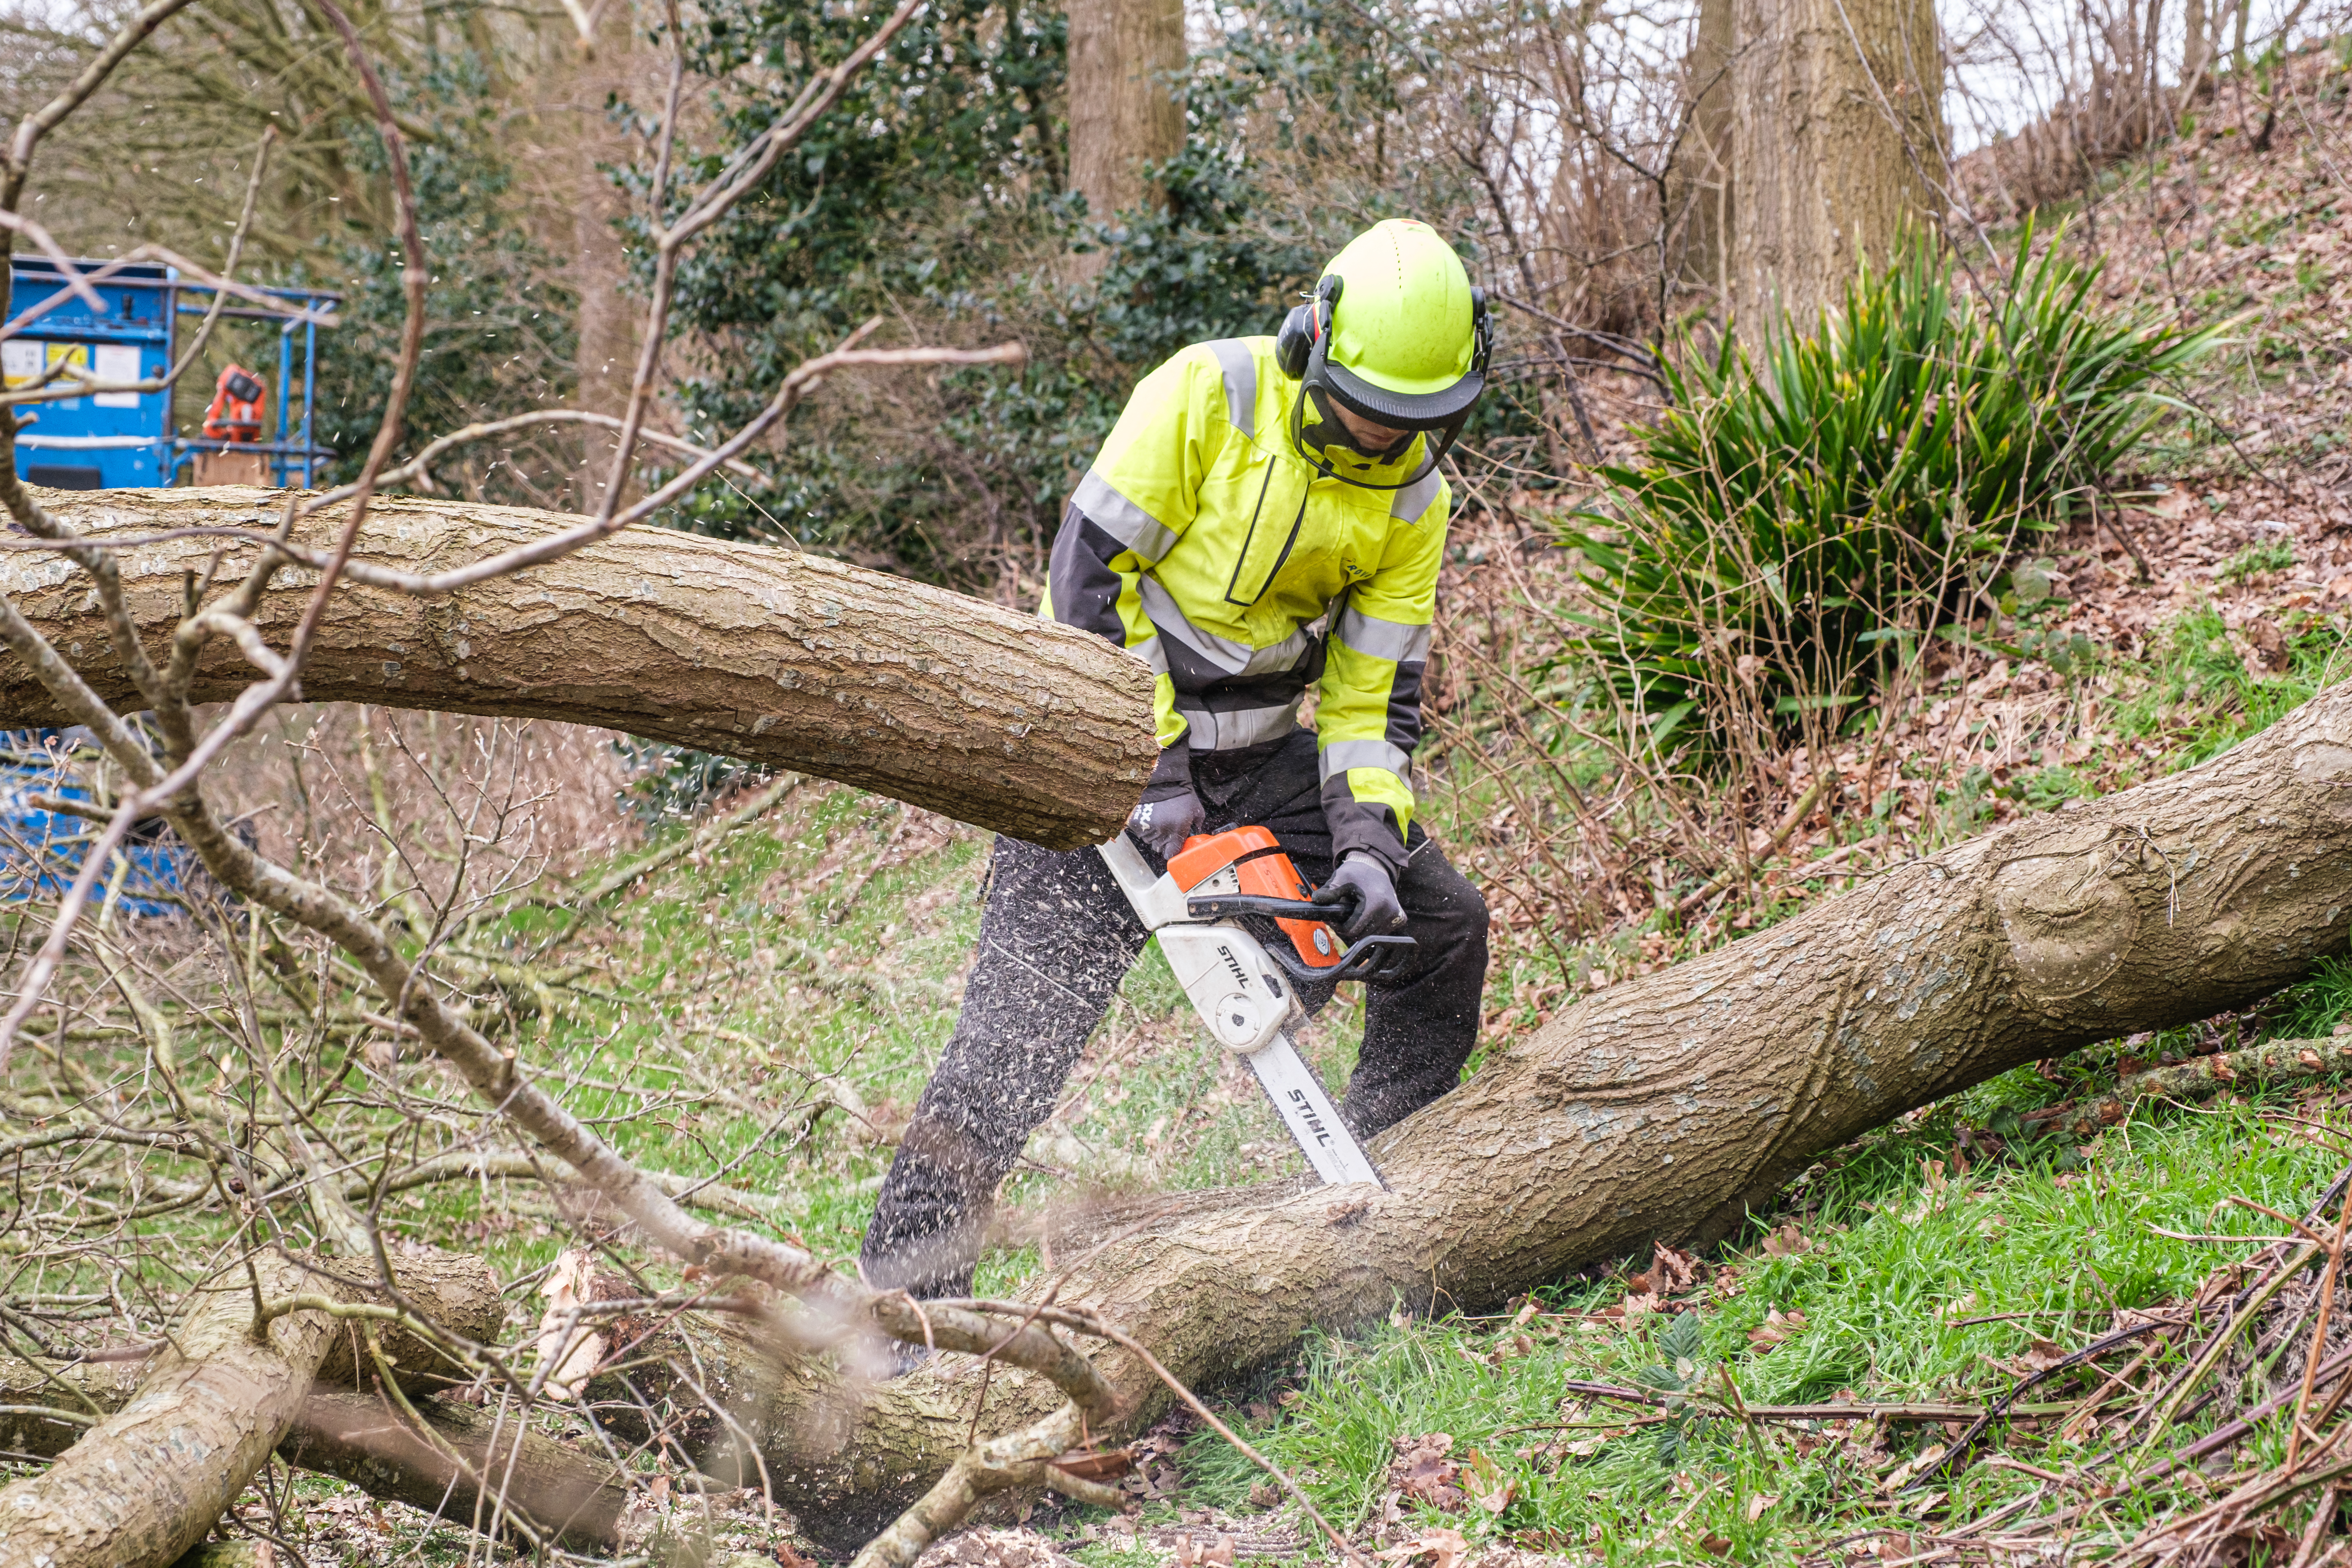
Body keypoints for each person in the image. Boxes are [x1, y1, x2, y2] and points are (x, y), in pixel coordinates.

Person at [859, 218, 1493, 1302]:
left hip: (1262, 754)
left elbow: (1371, 692)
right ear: (1311, 344)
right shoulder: (1207, 395)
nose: (1387, 440)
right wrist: (1151, 777)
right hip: (1096, 743)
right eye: (1370, 412)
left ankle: (1369, 1181)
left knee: (1440, 931)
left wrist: (1365, 846)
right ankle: (902, 1307)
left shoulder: (1414, 498)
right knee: (1009, 1045)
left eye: (1414, 423)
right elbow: (1091, 581)